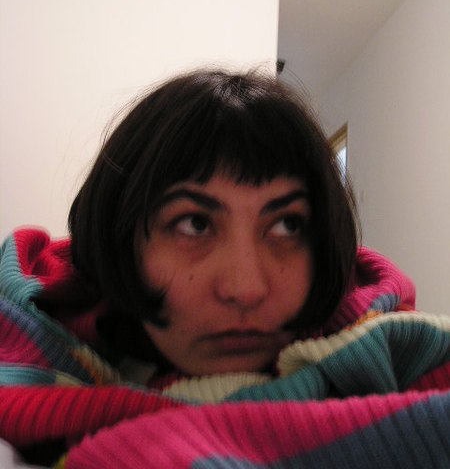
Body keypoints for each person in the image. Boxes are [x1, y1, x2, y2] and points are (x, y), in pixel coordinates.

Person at [0, 69, 448, 468]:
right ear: (120, 238)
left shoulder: (400, 353)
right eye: (194, 224)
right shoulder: (32, 348)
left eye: (287, 225)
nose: (246, 288)